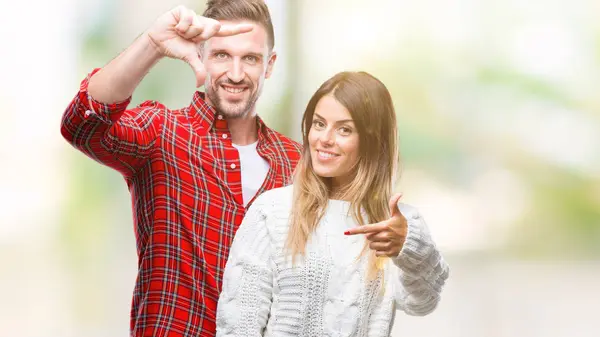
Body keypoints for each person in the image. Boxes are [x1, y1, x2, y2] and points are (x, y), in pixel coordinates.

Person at [60, 1, 409, 336]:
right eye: (222, 55)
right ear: (200, 56)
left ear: (269, 65)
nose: (236, 73)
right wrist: (153, 43)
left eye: (251, 58)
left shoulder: (298, 163)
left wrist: (402, 239)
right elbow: (81, 125)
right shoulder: (162, 135)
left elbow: (345, 256)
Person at [216, 71, 450, 337]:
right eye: (318, 124)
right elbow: (237, 325)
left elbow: (422, 303)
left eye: (344, 129)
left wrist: (409, 246)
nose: (324, 139)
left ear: (372, 141)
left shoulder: (396, 224)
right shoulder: (272, 212)